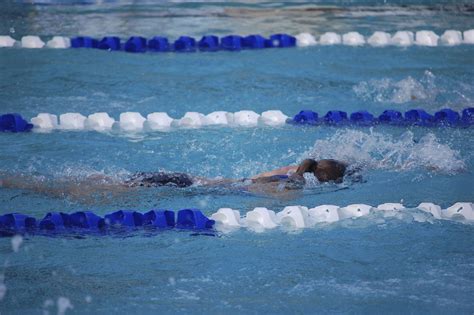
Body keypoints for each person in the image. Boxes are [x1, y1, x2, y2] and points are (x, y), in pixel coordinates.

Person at [0, 158, 350, 202]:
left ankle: (18, 182)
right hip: (183, 187)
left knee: (105, 182)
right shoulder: (291, 186)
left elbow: (301, 166)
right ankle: (20, 184)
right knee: (96, 191)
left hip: (187, 179)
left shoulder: (284, 172)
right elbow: (289, 192)